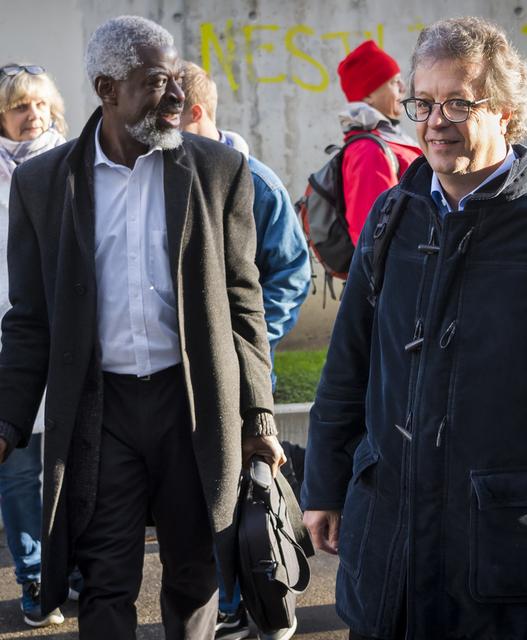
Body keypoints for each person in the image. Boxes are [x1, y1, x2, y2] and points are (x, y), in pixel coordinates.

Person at [302, 16, 527, 640]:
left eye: (459, 102)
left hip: (512, 565)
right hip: (391, 559)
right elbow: (348, 366)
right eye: (423, 103)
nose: (435, 120)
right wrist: (323, 483)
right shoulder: (391, 216)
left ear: (508, 115)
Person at [0, 15, 285, 640]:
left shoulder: (218, 173)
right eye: (158, 83)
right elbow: (29, 320)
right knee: (106, 578)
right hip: (101, 412)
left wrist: (259, 416)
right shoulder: (44, 186)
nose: (178, 97)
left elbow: (244, 302)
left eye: (177, 79)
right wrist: (7, 423)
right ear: (108, 88)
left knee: (194, 572)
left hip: (192, 407)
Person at [180, 61, 310, 640]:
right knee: (201, 493)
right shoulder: (164, 175)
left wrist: (248, 348)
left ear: (195, 113)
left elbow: (290, 274)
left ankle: (256, 597)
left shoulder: (253, 180)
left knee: (243, 491)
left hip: (241, 371)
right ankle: (225, 599)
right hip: (183, 377)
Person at [0, 62, 66, 628]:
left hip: (68, 340)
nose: (33, 115)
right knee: (18, 467)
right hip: (8, 348)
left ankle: (78, 566)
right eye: (20, 106)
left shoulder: (76, 168)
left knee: (75, 463)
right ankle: (35, 574)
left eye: (40, 104)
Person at [336, 40, 422, 246]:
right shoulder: (368, 151)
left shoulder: (387, 140)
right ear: (368, 95)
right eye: (394, 82)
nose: (403, 88)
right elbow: (373, 239)